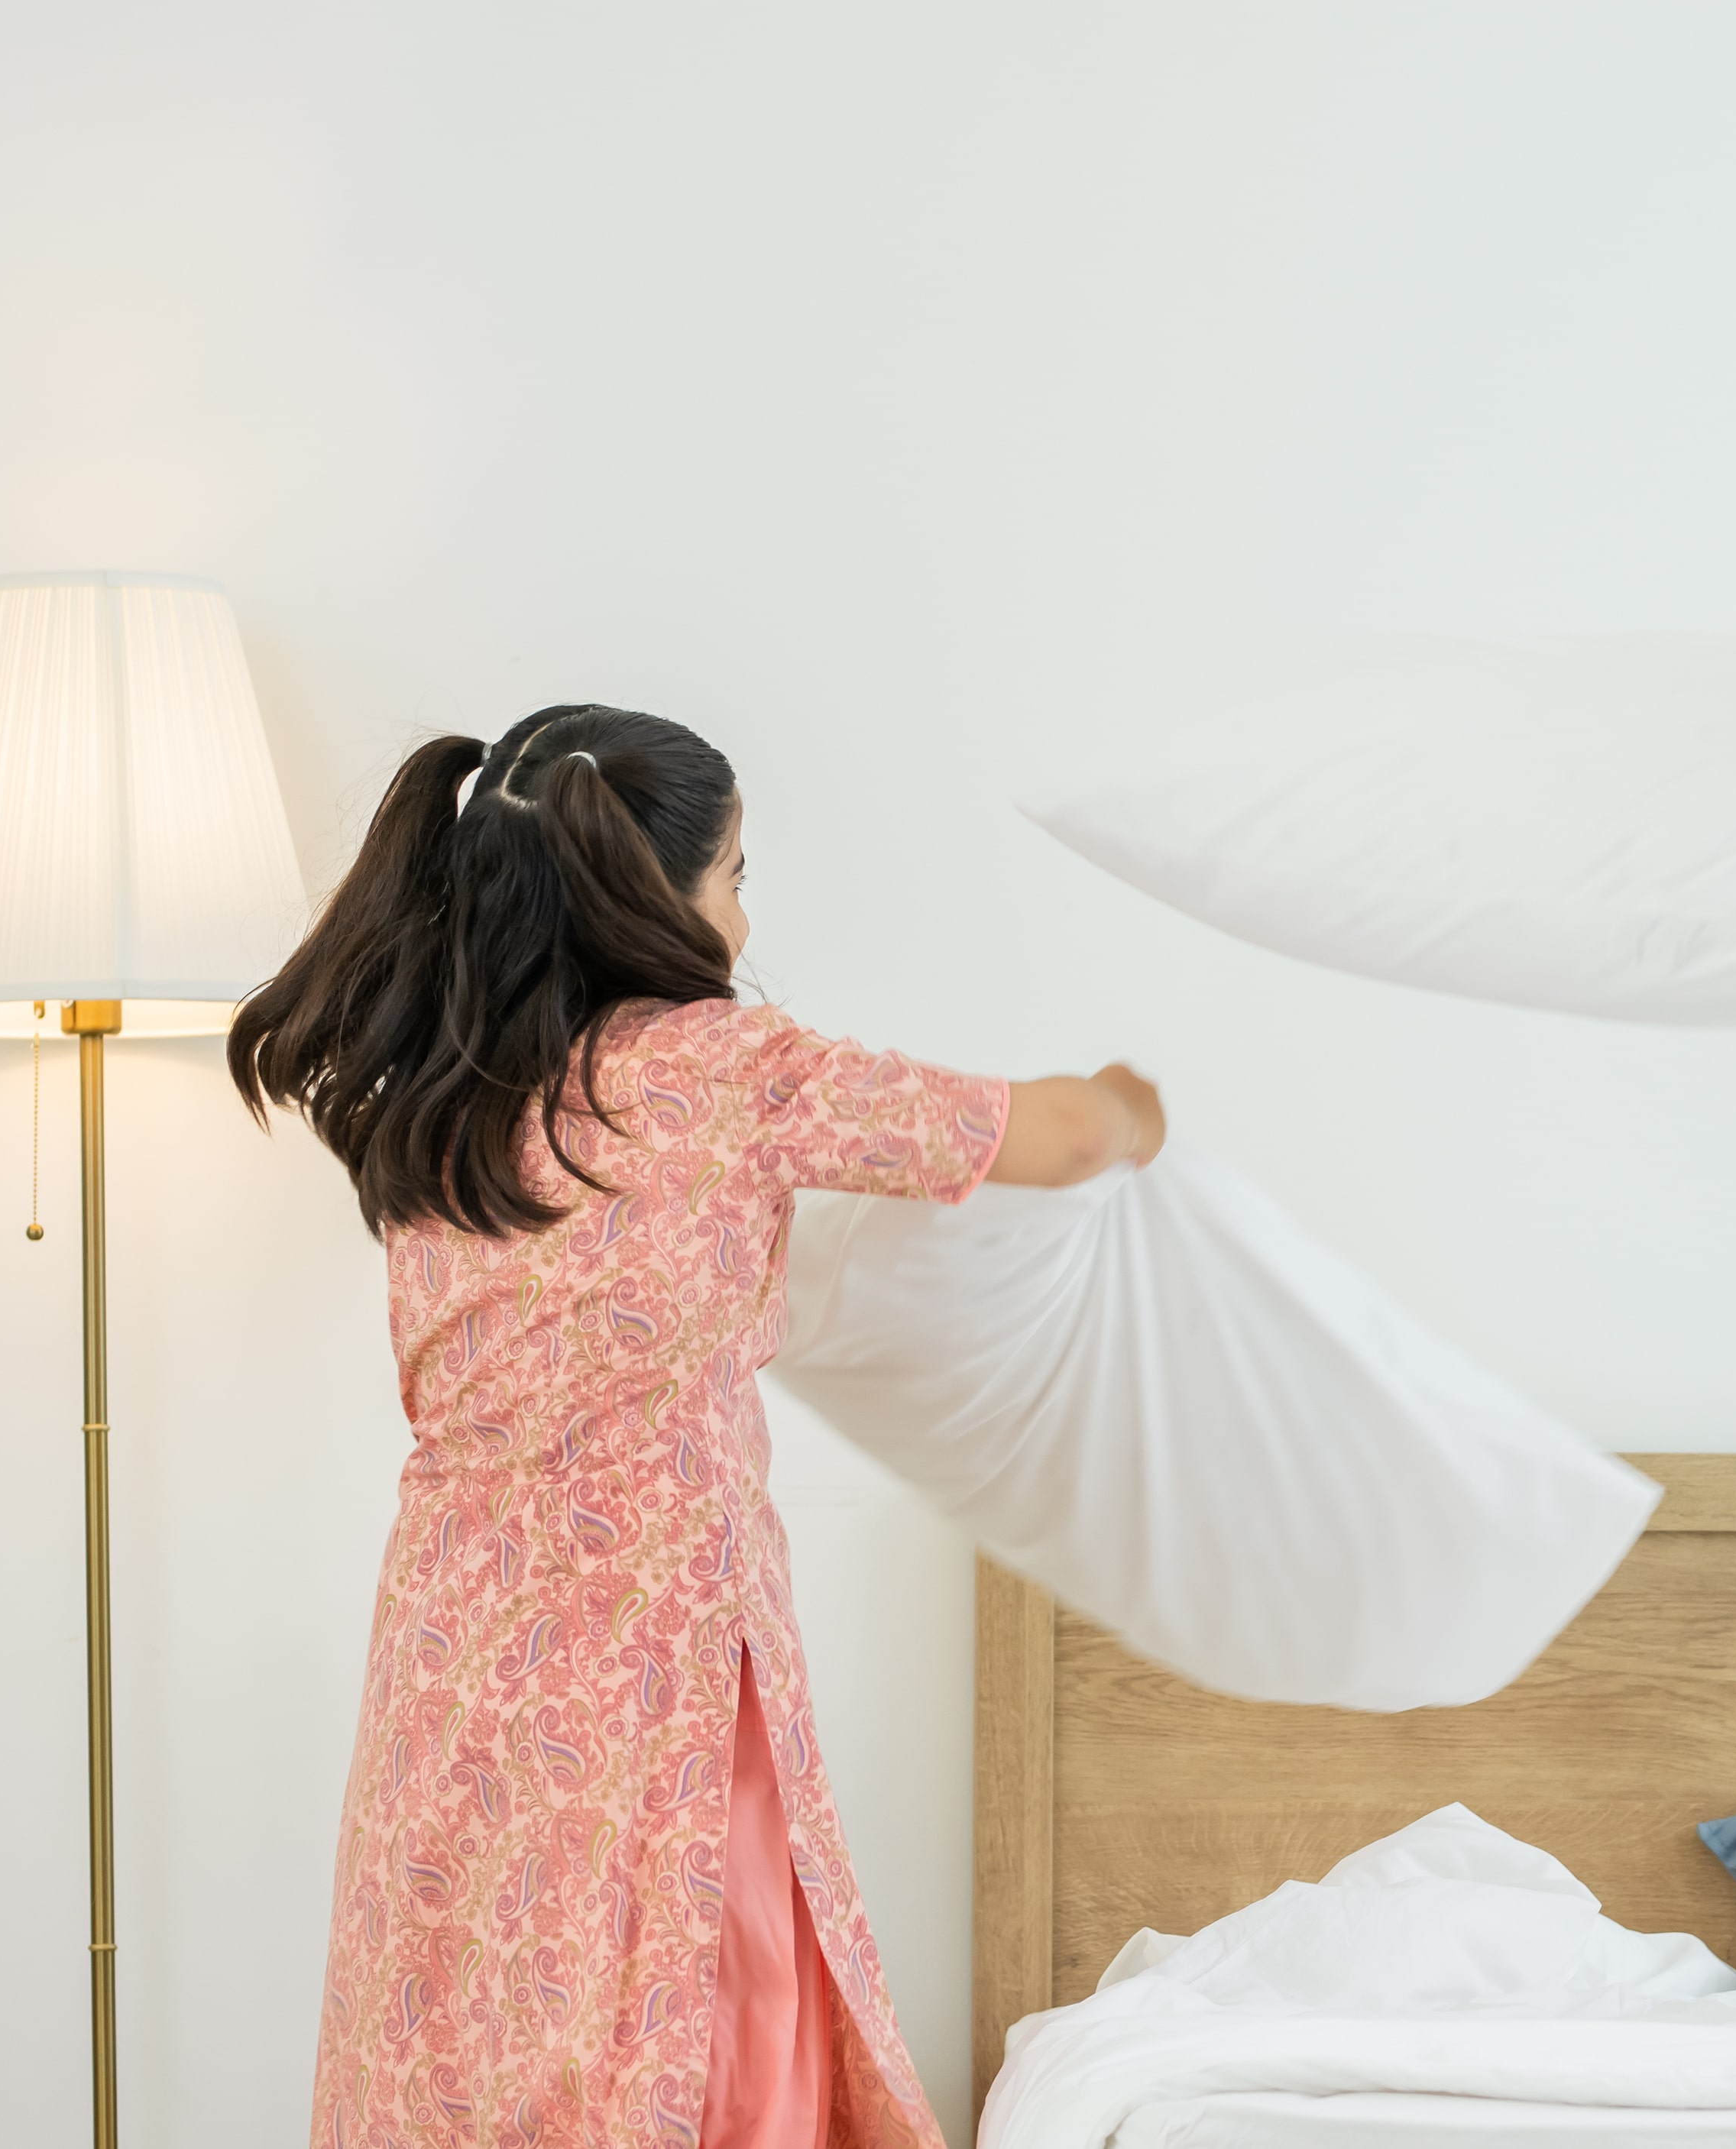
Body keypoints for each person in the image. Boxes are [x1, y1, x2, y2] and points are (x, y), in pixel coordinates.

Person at [231, 705, 1165, 2144]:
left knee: (463, 2015)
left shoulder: (442, 1082)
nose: (742, 907)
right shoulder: (723, 1069)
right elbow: (1027, 1136)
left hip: (453, 1644)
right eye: (735, 871)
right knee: (670, 2009)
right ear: (648, 894)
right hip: (646, 1643)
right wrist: (1125, 1106)